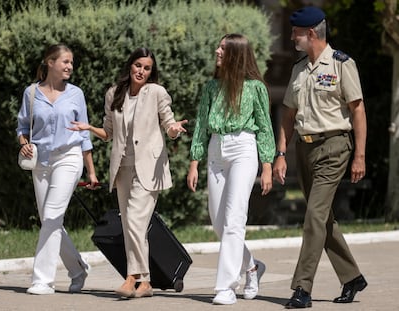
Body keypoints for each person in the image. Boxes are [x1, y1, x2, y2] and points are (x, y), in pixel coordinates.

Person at [69, 47, 188, 299]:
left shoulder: (156, 92)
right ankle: (145, 284)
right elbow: (108, 132)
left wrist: (175, 129)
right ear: (130, 66)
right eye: (138, 66)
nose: (141, 71)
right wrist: (89, 127)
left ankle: (131, 277)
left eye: (147, 68)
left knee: (134, 220)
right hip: (122, 168)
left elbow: (168, 123)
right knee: (132, 225)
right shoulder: (114, 93)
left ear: (151, 72)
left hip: (149, 168)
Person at [272, 6, 368, 309]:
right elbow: (289, 113)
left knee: (313, 215)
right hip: (305, 149)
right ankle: (352, 277)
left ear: (310, 33)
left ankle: (302, 288)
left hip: (335, 146)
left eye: (295, 33)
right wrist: (281, 153)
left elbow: (358, 111)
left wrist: (360, 156)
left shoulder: (342, 64)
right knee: (323, 218)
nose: (291, 37)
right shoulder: (299, 68)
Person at [186, 33, 275, 305]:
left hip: (243, 149)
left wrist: (267, 165)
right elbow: (201, 124)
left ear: (236, 53)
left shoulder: (255, 87)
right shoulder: (211, 87)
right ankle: (251, 267)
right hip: (215, 150)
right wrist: (194, 162)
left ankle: (226, 287)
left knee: (235, 219)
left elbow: (264, 127)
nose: (217, 51)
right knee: (217, 221)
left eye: (223, 48)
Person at [17, 44, 98, 295]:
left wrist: (91, 171)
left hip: (69, 157)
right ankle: (78, 269)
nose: (69, 66)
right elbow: (22, 128)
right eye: (65, 61)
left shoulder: (76, 94)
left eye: (71, 62)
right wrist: (24, 145)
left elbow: (84, 135)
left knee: (52, 215)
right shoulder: (31, 93)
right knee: (50, 220)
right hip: (40, 161)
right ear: (49, 62)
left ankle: (42, 280)